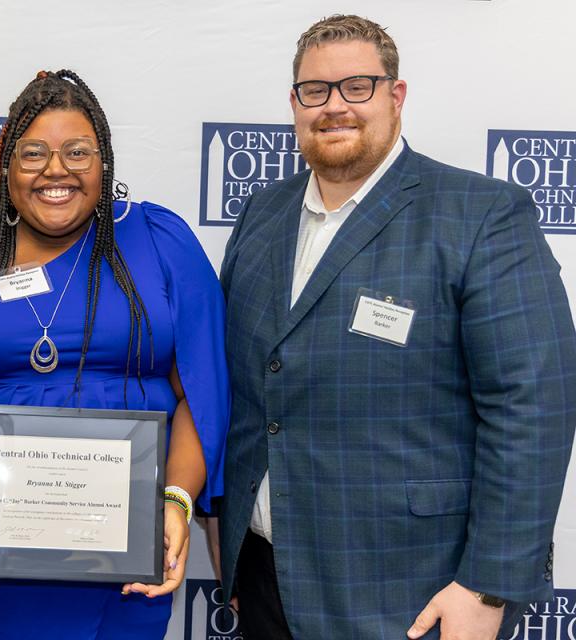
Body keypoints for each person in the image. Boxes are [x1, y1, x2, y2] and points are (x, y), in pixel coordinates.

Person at [218, 14, 576, 640]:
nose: (335, 107)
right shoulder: (263, 212)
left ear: (395, 95)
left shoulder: (481, 216)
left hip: (411, 591)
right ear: (295, 102)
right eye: (315, 90)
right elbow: (246, 393)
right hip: (266, 578)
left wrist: (487, 587)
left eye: (357, 86)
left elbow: (534, 410)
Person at [0, 69, 229, 639]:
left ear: (105, 161)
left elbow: (200, 389)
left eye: (78, 152)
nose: (56, 170)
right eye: (34, 153)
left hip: (128, 551)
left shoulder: (158, 238)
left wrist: (176, 499)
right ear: (4, 163)